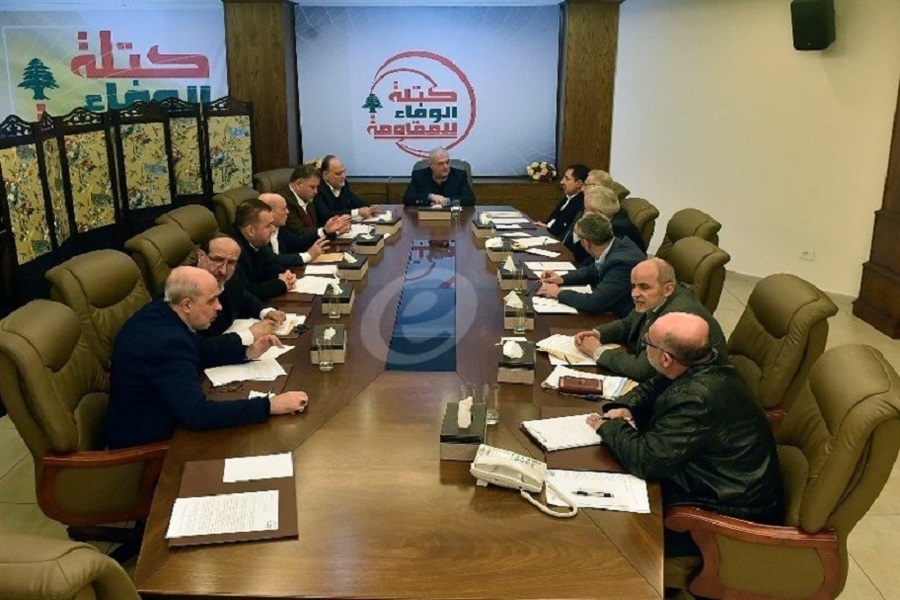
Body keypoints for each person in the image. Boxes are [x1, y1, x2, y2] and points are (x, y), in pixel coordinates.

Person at [585, 312, 783, 557]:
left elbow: (645, 460)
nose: (644, 346)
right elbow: (655, 385)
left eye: (647, 342)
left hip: (723, 515)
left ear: (665, 358)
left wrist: (608, 426)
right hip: (712, 481)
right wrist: (625, 407)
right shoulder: (698, 362)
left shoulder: (696, 399)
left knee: (601, 535)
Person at [106, 266, 309, 449]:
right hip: (149, 446)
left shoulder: (163, 313)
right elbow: (197, 414)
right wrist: (271, 405)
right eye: (212, 300)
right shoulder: (165, 342)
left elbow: (200, 349)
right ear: (187, 304)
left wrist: (248, 352)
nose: (219, 307)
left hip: (168, 417)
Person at [573, 258, 728, 381]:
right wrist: (597, 334)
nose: (634, 294)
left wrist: (597, 351)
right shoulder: (657, 298)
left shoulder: (676, 317)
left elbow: (643, 370)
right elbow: (629, 323)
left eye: (644, 287)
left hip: (696, 387)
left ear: (668, 289)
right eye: (633, 286)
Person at [537, 213, 645, 316]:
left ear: (586, 243)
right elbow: (592, 271)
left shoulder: (621, 263)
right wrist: (561, 279)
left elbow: (594, 303)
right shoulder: (614, 245)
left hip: (621, 317)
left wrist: (558, 293)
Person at [195, 233, 286, 344]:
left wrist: (265, 311)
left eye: (231, 262)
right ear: (201, 256)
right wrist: (250, 334)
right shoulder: (187, 288)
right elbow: (200, 344)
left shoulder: (233, 275)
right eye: (218, 260)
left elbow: (243, 296)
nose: (223, 270)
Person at [231, 199, 297, 300]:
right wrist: (281, 284)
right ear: (250, 230)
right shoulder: (232, 250)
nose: (273, 229)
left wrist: (286, 275)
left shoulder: (258, 242)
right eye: (268, 226)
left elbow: (272, 266)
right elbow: (245, 292)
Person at [277, 164, 351, 237]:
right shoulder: (284, 202)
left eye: (317, 187)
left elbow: (316, 227)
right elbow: (300, 233)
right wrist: (326, 231)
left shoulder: (307, 198)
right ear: (298, 184)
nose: (316, 191)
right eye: (312, 187)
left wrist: (336, 230)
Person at [259, 193, 329, 269]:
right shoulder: (260, 235)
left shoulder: (281, 228)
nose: (287, 212)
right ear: (271, 212)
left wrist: (324, 231)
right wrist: (308, 255)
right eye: (284, 209)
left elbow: (298, 242)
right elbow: (273, 260)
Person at [402, 146, 475, 207]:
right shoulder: (419, 176)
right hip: (427, 216)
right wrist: (430, 197)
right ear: (431, 165)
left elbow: (470, 199)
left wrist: (447, 201)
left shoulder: (459, 175)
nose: (446, 166)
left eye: (447, 162)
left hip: (452, 216)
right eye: (441, 164)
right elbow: (408, 198)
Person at [313, 155, 379, 221]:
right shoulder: (317, 189)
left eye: (343, 171)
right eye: (338, 174)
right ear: (325, 175)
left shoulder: (343, 183)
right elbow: (326, 215)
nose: (343, 176)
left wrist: (369, 207)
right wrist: (357, 212)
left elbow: (353, 199)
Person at [535, 164, 588, 239]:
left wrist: (547, 228)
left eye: (567, 179)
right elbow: (553, 220)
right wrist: (542, 224)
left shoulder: (581, 203)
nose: (562, 182)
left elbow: (565, 232)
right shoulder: (568, 197)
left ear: (579, 183)